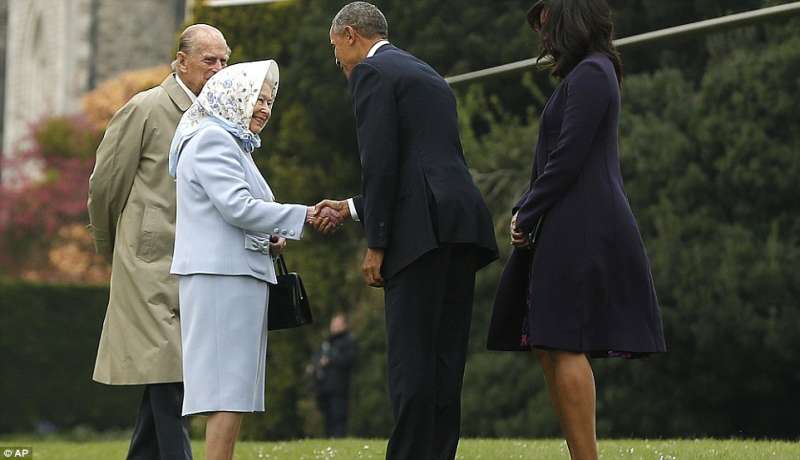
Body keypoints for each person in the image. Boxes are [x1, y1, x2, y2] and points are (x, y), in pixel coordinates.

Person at [316, 3, 499, 459]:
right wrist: (353, 208)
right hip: (460, 227)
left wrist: (376, 243)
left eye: (337, 51)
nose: (339, 64)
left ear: (351, 35)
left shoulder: (372, 74)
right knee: (445, 361)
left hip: (418, 238)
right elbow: (420, 165)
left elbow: (380, 165)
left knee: (411, 362)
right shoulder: (425, 74)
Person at [488, 1, 667, 459]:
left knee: (564, 342)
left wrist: (526, 212)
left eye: (547, 28)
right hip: (566, 222)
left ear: (572, 24)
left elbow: (568, 157)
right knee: (549, 343)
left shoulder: (592, 73)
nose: (543, 39)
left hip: (584, 225)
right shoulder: (586, 75)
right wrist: (529, 210)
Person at [168, 60, 323, 460]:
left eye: (270, 102)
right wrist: (302, 215)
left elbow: (232, 213)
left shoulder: (231, 142)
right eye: (258, 99)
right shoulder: (213, 140)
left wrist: (269, 236)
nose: (265, 109)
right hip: (221, 277)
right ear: (232, 96)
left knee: (234, 390)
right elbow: (237, 207)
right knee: (225, 389)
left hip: (234, 274)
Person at [88, 24, 230, 460]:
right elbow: (104, 188)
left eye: (225, 60)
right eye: (210, 60)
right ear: (181, 61)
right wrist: (117, 250)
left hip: (199, 261)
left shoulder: (223, 115)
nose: (220, 69)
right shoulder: (145, 108)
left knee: (171, 377)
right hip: (149, 264)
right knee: (172, 377)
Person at [310, 313, 357, 438]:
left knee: (339, 417)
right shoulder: (327, 342)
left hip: (339, 387)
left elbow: (349, 360)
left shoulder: (349, 340)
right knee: (327, 418)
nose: (334, 327)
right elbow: (316, 357)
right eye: (333, 324)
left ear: (344, 325)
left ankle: (339, 441)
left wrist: (331, 360)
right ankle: (329, 442)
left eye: (337, 324)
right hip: (324, 387)